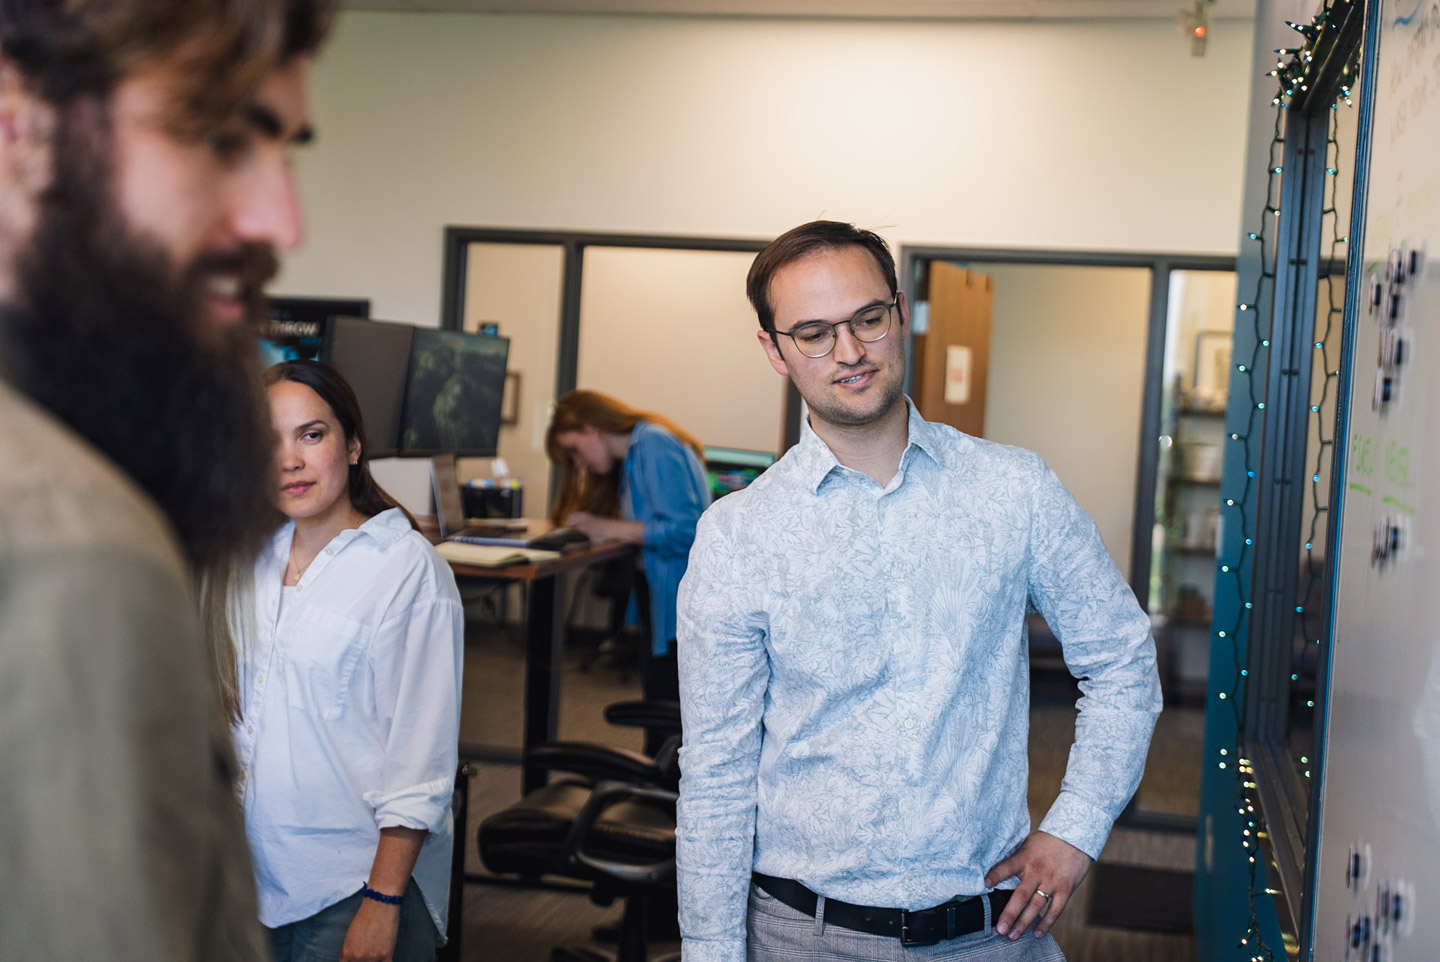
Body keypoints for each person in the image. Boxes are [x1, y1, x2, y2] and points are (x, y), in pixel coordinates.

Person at [675, 221, 1163, 961]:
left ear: (899, 315)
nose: (849, 352)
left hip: (991, 933)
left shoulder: (1014, 490)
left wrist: (1076, 827)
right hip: (801, 937)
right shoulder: (738, 535)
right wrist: (711, 951)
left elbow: (1123, 662)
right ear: (774, 350)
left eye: (867, 319)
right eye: (812, 333)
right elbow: (716, 771)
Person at [0, 1, 330, 958]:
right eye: (220, 135)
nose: (282, 219)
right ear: (17, 118)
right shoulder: (76, 553)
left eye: (285, 150)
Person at [236, 360, 464, 962]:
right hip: (250, 882)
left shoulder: (405, 570)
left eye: (311, 435)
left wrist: (382, 902)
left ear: (354, 445)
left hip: (350, 890)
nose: (290, 460)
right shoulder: (248, 561)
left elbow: (422, 762)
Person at [546, 389, 710, 709]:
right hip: (662, 593)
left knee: (667, 708)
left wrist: (606, 528)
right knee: (660, 701)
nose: (579, 463)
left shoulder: (653, 444)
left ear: (591, 429)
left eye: (575, 450)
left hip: (679, 596)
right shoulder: (635, 455)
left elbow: (687, 531)